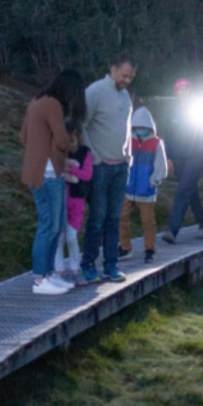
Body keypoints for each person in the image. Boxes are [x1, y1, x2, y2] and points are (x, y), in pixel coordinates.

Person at [19, 68, 85, 295]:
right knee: (49, 227)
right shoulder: (54, 105)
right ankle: (40, 279)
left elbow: (23, 137)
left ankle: (47, 275)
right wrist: (66, 144)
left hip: (38, 173)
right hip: (47, 175)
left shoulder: (36, 101)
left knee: (52, 228)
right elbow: (61, 139)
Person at [79, 54, 135, 285]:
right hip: (101, 167)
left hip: (120, 166)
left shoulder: (125, 97)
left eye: (131, 77)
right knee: (98, 217)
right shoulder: (94, 92)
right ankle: (88, 264)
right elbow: (82, 124)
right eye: (124, 75)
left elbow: (127, 128)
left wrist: (128, 155)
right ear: (113, 69)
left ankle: (111, 265)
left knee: (114, 218)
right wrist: (94, 156)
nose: (127, 80)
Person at [162, 78, 203, 244]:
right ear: (176, 92)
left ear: (191, 91)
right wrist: (168, 157)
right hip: (178, 156)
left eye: (186, 89)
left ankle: (172, 230)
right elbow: (167, 136)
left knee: (183, 190)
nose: (184, 93)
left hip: (196, 155)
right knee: (190, 191)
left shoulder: (198, 109)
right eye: (180, 90)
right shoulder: (172, 111)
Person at [118, 105, 168, 265]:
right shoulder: (128, 140)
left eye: (143, 127)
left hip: (146, 190)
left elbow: (162, 166)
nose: (139, 130)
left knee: (148, 221)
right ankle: (125, 247)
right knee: (121, 217)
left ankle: (149, 250)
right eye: (136, 127)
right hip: (127, 188)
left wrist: (153, 181)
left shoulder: (156, 143)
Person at [56, 118, 93, 275]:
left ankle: (75, 266)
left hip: (77, 200)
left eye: (72, 139)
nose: (70, 144)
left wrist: (71, 170)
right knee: (59, 236)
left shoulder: (85, 152)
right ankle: (58, 268)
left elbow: (87, 174)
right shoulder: (58, 152)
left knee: (71, 236)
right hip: (60, 199)